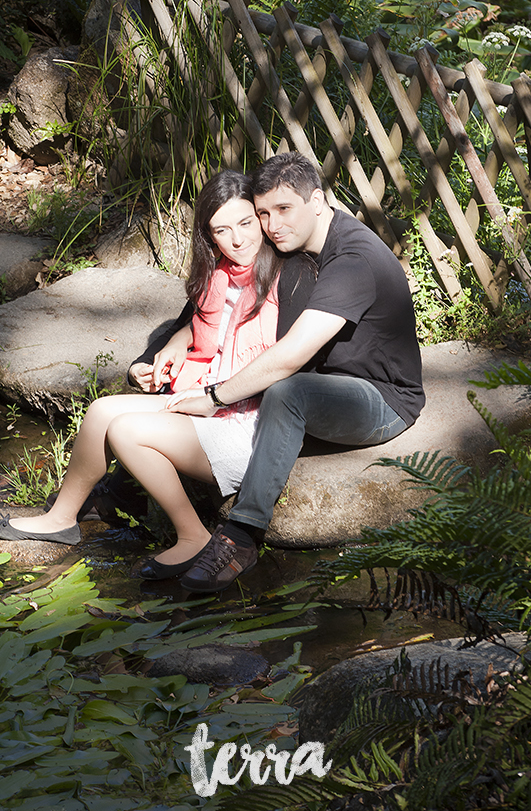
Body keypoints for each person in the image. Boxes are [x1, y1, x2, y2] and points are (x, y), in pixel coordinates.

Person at [0, 170, 289, 578]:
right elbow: (205, 323)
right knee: (100, 412)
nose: (237, 239)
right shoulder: (220, 273)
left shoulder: (288, 275)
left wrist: (209, 387)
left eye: (245, 223)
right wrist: (176, 344)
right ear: (209, 236)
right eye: (222, 230)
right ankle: (61, 518)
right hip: (208, 395)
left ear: (261, 217)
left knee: (126, 430)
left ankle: (193, 536)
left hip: (246, 418)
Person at [166, 152, 424, 592]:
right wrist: (175, 343)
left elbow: (290, 356)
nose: (272, 224)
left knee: (289, 391)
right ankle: (124, 492)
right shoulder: (304, 245)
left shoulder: (352, 259)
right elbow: (212, 302)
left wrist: (214, 397)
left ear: (318, 201)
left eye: (284, 209)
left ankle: (242, 537)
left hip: (381, 398)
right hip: (331, 382)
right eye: (263, 213)